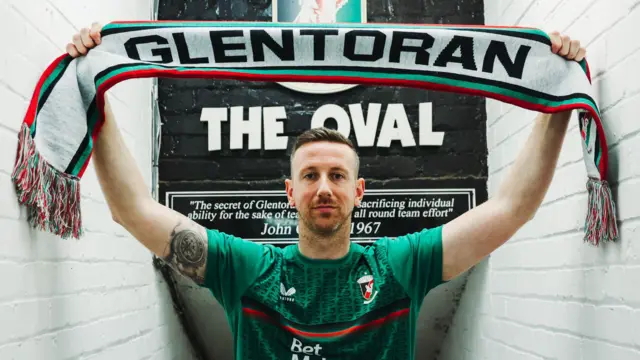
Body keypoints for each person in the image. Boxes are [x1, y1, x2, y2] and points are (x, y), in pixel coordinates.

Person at [66, 22, 586, 359]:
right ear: (289, 192)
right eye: (310, 176)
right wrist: (99, 103)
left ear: (359, 191)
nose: (323, 188)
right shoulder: (246, 270)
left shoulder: (399, 267)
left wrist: (558, 106)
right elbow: (132, 210)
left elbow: (512, 209)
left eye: (337, 176)